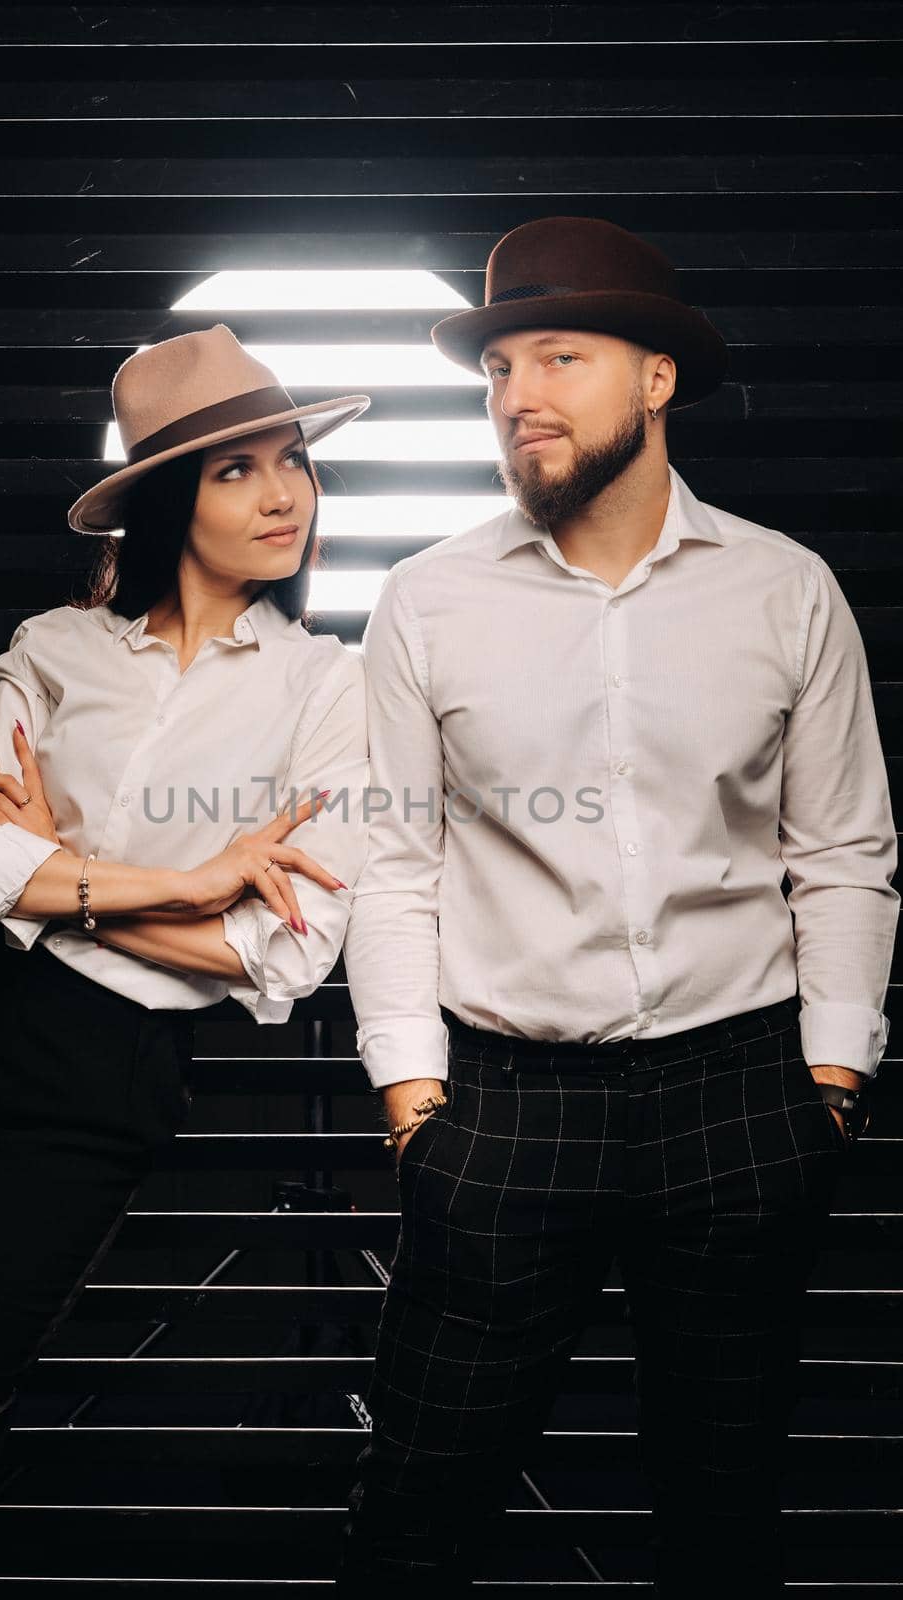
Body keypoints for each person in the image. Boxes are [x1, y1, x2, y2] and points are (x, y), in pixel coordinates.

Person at [334, 217, 899, 1596]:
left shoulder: (783, 591)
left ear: (653, 379)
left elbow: (838, 848)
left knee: (722, 1511)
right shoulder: (425, 600)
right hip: (504, 1104)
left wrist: (827, 1073)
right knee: (416, 1508)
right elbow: (393, 859)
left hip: (739, 1094)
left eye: (560, 357)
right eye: (498, 368)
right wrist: (412, 1093)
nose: (518, 393)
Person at [0, 325, 372, 1594]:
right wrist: (178, 881)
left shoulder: (328, 688)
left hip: (100, 1063)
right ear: (161, 498)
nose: (282, 493)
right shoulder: (57, 646)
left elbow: (279, 951)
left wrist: (53, 876)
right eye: (235, 469)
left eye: (290, 459)